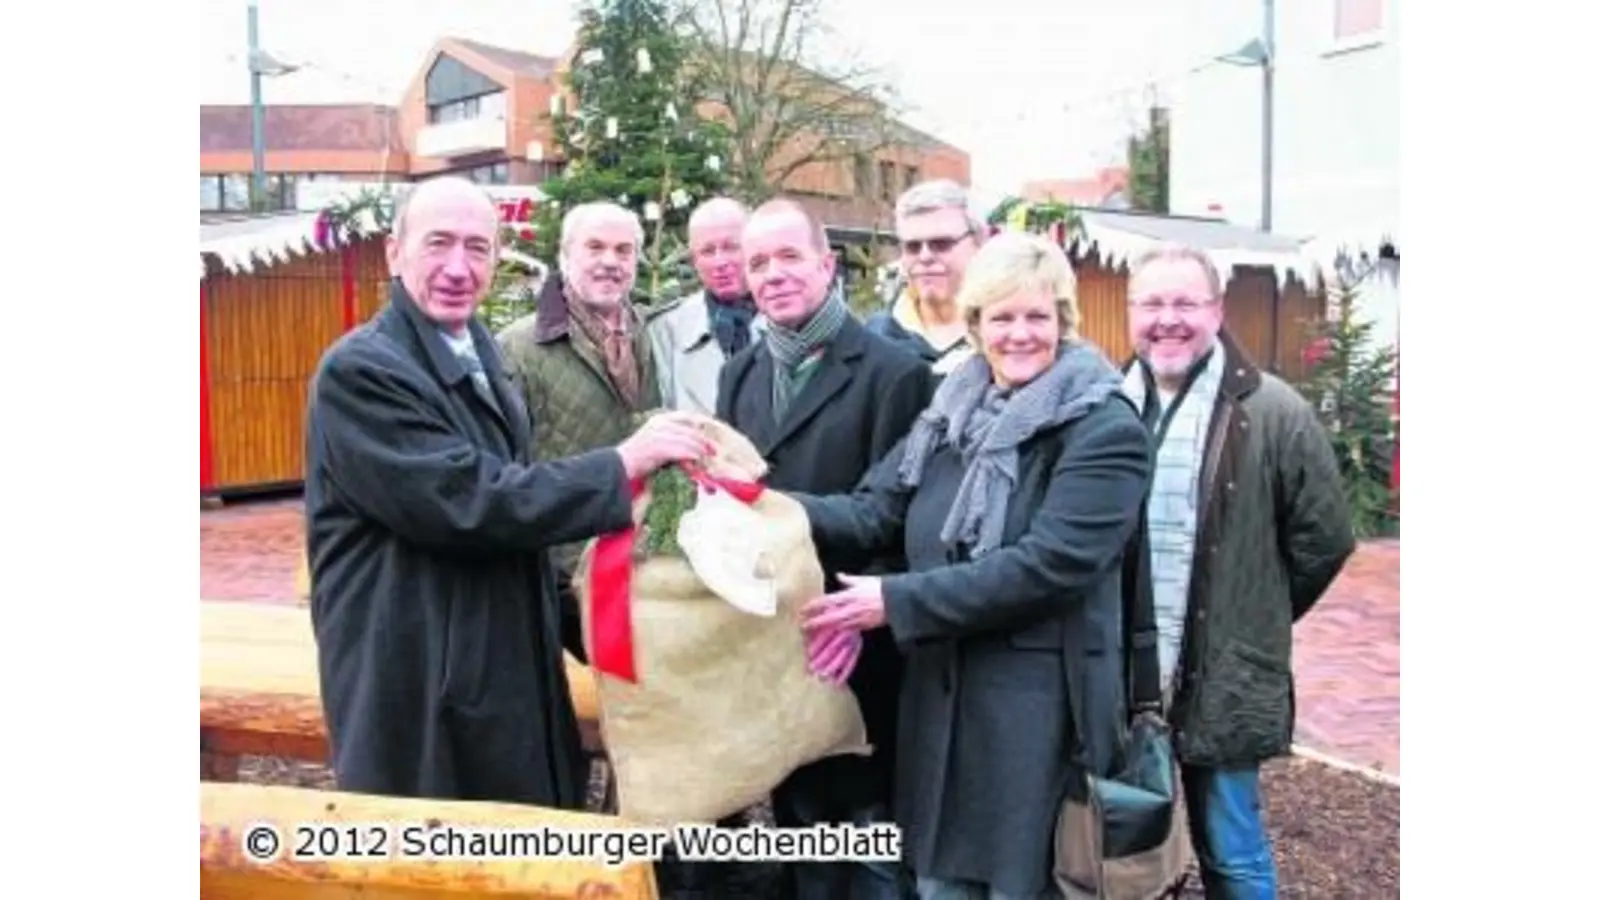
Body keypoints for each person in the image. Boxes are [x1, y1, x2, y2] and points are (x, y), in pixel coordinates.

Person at [303, 176, 713, 806]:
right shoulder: (364, 371)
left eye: (478, 247)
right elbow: (473, 503)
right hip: (419, 676)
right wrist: (622, 463)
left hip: (497, 660)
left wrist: (614, 639)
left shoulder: (481, 353)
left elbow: (518, 533)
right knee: (444, 862)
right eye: (438, 244)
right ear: (395, 252)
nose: (458, 268)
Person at [792, 231, 1153, 900]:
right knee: (936, 886)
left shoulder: (1104, 428)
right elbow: (876, 511)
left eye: (1036, 316)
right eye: (1001, 317)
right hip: (942, 712)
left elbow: (1049, 565)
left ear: (1063, 321)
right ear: (975, 324)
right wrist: (763, 503)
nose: (1019, 334)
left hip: (1037, 724)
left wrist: (895, 602)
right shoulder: (953, 411)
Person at [1119, 243, 1355, 898]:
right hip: (1117, 678)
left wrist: (1253, 607)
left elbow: (1325, 538)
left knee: (1233, 854)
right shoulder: (1101, 405)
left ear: (1217, 310)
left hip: (1222, 676)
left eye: (1185, 303)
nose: (1168, 319)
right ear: (1131, 311)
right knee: (1123, 850)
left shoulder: (1275, 412)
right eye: (1153, 303)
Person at [717, 198, 935, 900]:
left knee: (867, 836)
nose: (774, 274)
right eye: (758, 262)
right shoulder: (742, 374)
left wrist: (850, 613)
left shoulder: (893, 374)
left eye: (789, 257)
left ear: (826, 263)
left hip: (858, 645)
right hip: (775, 643)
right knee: (799, 826)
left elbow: (899, 520)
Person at [497, 201, 668, 657]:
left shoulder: (655, 336)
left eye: (623, 250)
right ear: (564, 256)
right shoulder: (518, 348)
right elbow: (505, 471)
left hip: (647, 567)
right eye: (594, 247)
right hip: (565, 577)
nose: (610, 261)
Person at [648, 196, 764, 414]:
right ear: (694, 260)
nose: (720, 262)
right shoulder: (666, 331)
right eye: (708, 251)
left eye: (731, 247)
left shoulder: (790, 322)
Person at [865, 179, 984, 377]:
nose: (925, 257)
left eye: (942, 243)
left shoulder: (1010, 337)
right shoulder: (874, 340)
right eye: (913, 246)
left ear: (978, 242)